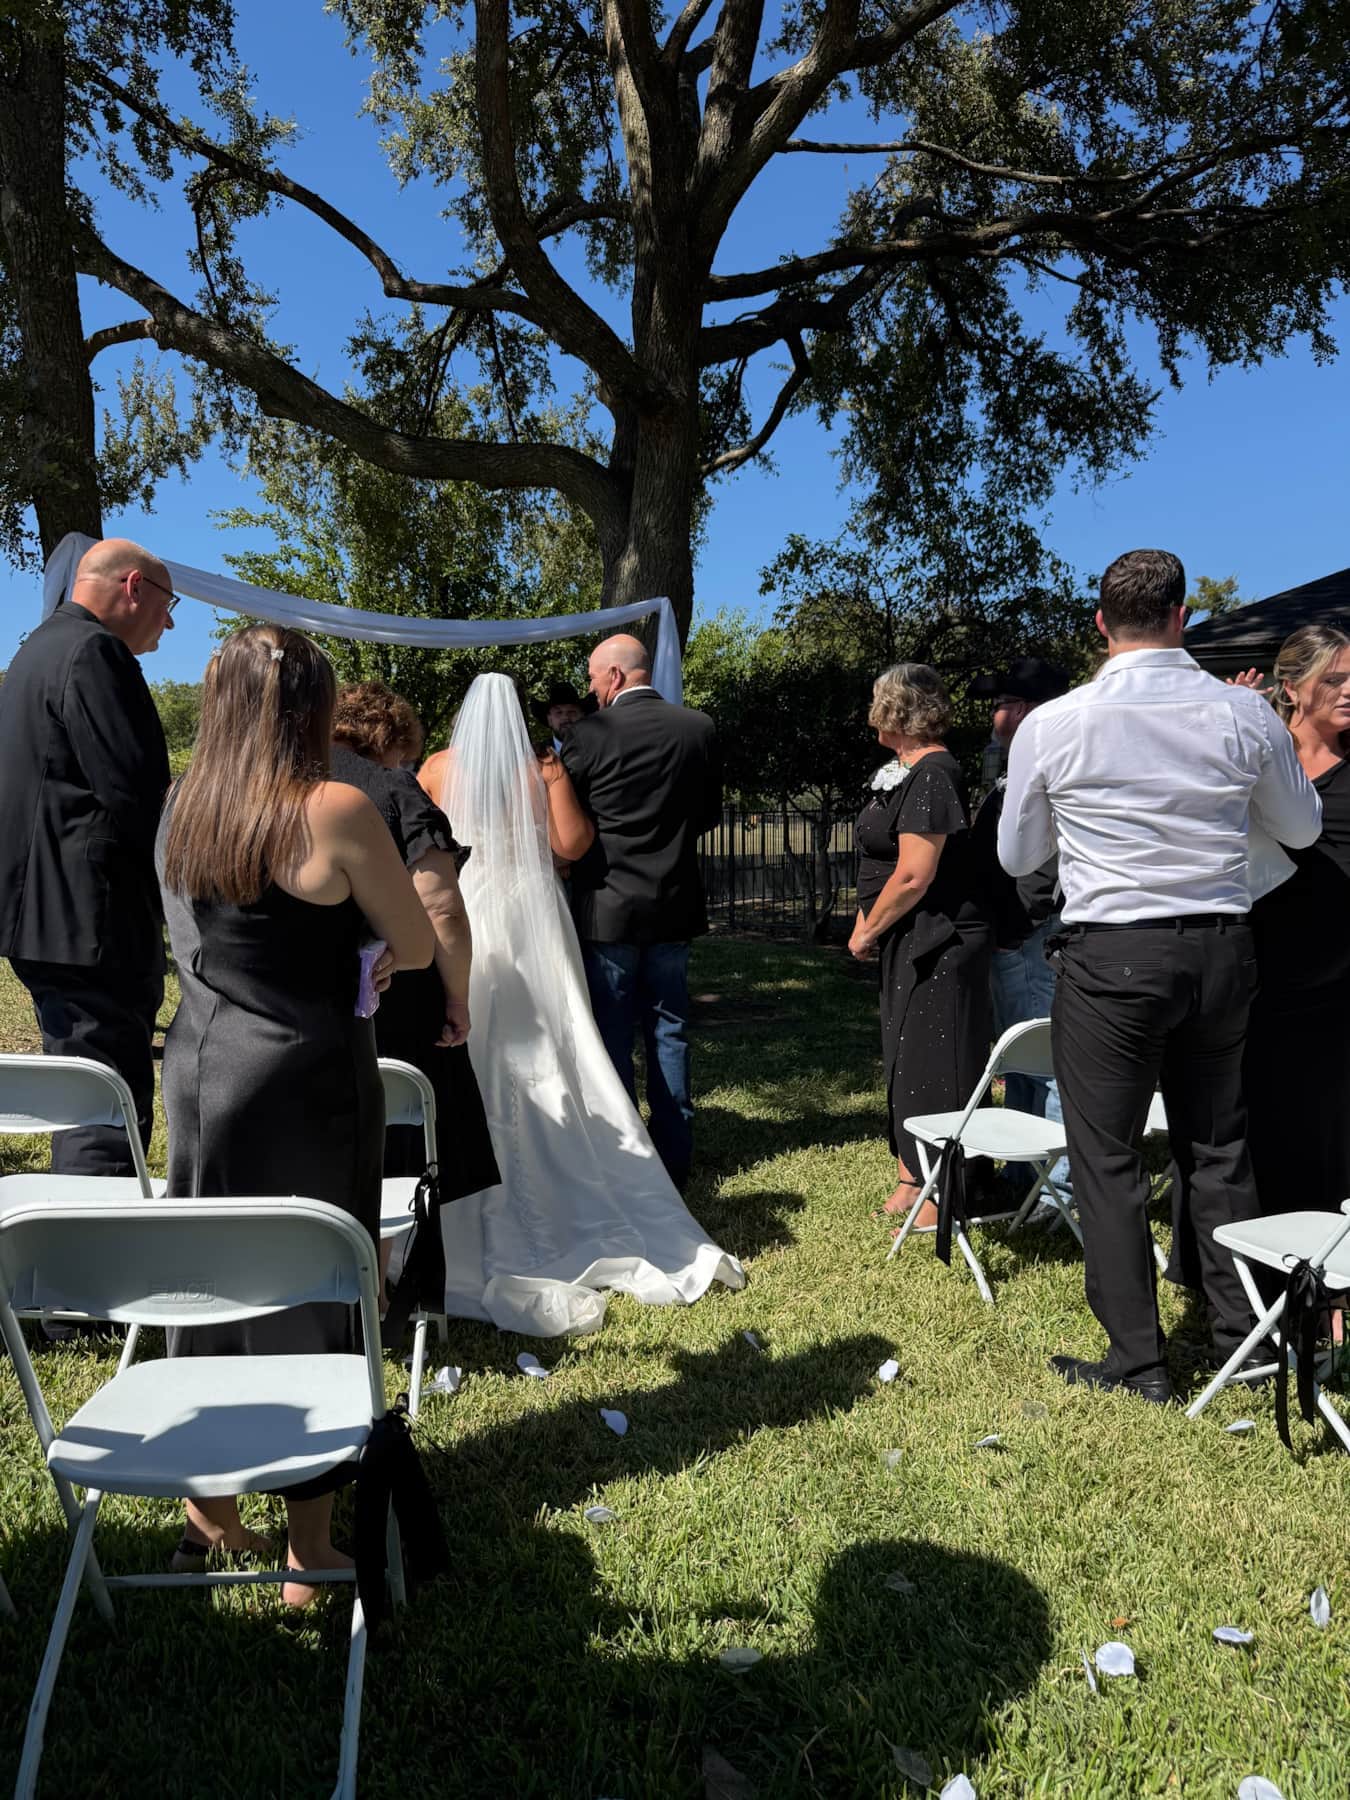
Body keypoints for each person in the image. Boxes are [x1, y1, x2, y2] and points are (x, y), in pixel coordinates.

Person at [998, 549, 1322, 1403]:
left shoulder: (1053, 723)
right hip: (1219, 945)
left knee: (1106, 1155)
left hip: (1112, 953)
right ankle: (1242, 1339)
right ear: (1182, 616)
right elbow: (1299, 828)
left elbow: (1019, 855)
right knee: (1218, 1146)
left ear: (1100, 624)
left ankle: (1139, 1362)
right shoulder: (1243, 714)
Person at [157, 626, 433, 1601]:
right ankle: (307, 1549)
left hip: (203, 1068)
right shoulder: (336, 808)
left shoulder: (184, 805)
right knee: (317, 1289)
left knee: (207, 1281)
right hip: (312, 1078)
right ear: (315, 709)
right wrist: (374, 952)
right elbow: (416, 942)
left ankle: (208, 1515)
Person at [425, 673, 743, 1335]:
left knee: (478, 1036)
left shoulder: (436, 768)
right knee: (556, 1031)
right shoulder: (542, 768)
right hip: (529, 908)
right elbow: (571, 844)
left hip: (468, 904)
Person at [0, 537, 174, 1176]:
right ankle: (96, 1231)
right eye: (168, 605)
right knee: (104, 1108)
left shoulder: (36, 650)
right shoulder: (96, 652)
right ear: (134, 588)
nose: (169, 623)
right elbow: (137, 793)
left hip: (45, 920)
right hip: (92, 925)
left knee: (81, 1088)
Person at [330, 681, 500, 1216]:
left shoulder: (283, 782)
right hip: (393, 992)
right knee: (399, 1150)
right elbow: (441, 908)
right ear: (388, 737)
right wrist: (457, 999)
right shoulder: (394, 789)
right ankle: (398, 1256)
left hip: (302, 1002)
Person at [561, 634, 722, 1191]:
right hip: (674, 902)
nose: (589, 689)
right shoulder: (698, 728)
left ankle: (626, 1158)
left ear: (613, 676)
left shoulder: (587, 735)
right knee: (669, 1028)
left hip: (608, 906)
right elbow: (708, 815)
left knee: (611, 1032)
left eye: (591, 677)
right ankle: (675, 1155)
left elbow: (570, 822)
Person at [849, 663, 993, 1222]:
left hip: (941, 939)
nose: (870, 714)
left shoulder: (934, 773)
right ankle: (912, 1175)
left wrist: (868, 929)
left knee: (937, 1063)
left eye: (876, 703)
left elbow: (914, 874)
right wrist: (870, 922)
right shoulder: (903, 770)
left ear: (895, 709)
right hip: (908, 936)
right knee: (907, 1060)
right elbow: (884, 860)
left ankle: (943, 1191)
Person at [1241, 626, 1350, 1216]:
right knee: (1261, 1118)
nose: (1349, 691)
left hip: (1338, 980)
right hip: (1259, 968)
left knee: (1329, 1127)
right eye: (1333, 679)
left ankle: (1327, 1260)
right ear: (1291, 688)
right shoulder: (1257, 757)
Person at [967, 657, 1072, 1203]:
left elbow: (1045, 862)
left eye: (1002, 704)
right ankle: (1023, 1175)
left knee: (1045, 1058)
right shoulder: (1021, 764)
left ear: (1027, 710)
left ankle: (1058, 1190)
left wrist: (1019, 923)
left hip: (1030, 936)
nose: (995, 715)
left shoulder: (1049, 766)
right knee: (1021, 1059)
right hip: (1014, 934)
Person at [532, 679, 595, 752]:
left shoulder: (598, 750)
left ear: (582, 716)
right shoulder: (535, 754)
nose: (565, 717)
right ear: (549, 720)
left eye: (571, 712)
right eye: (558, 712)